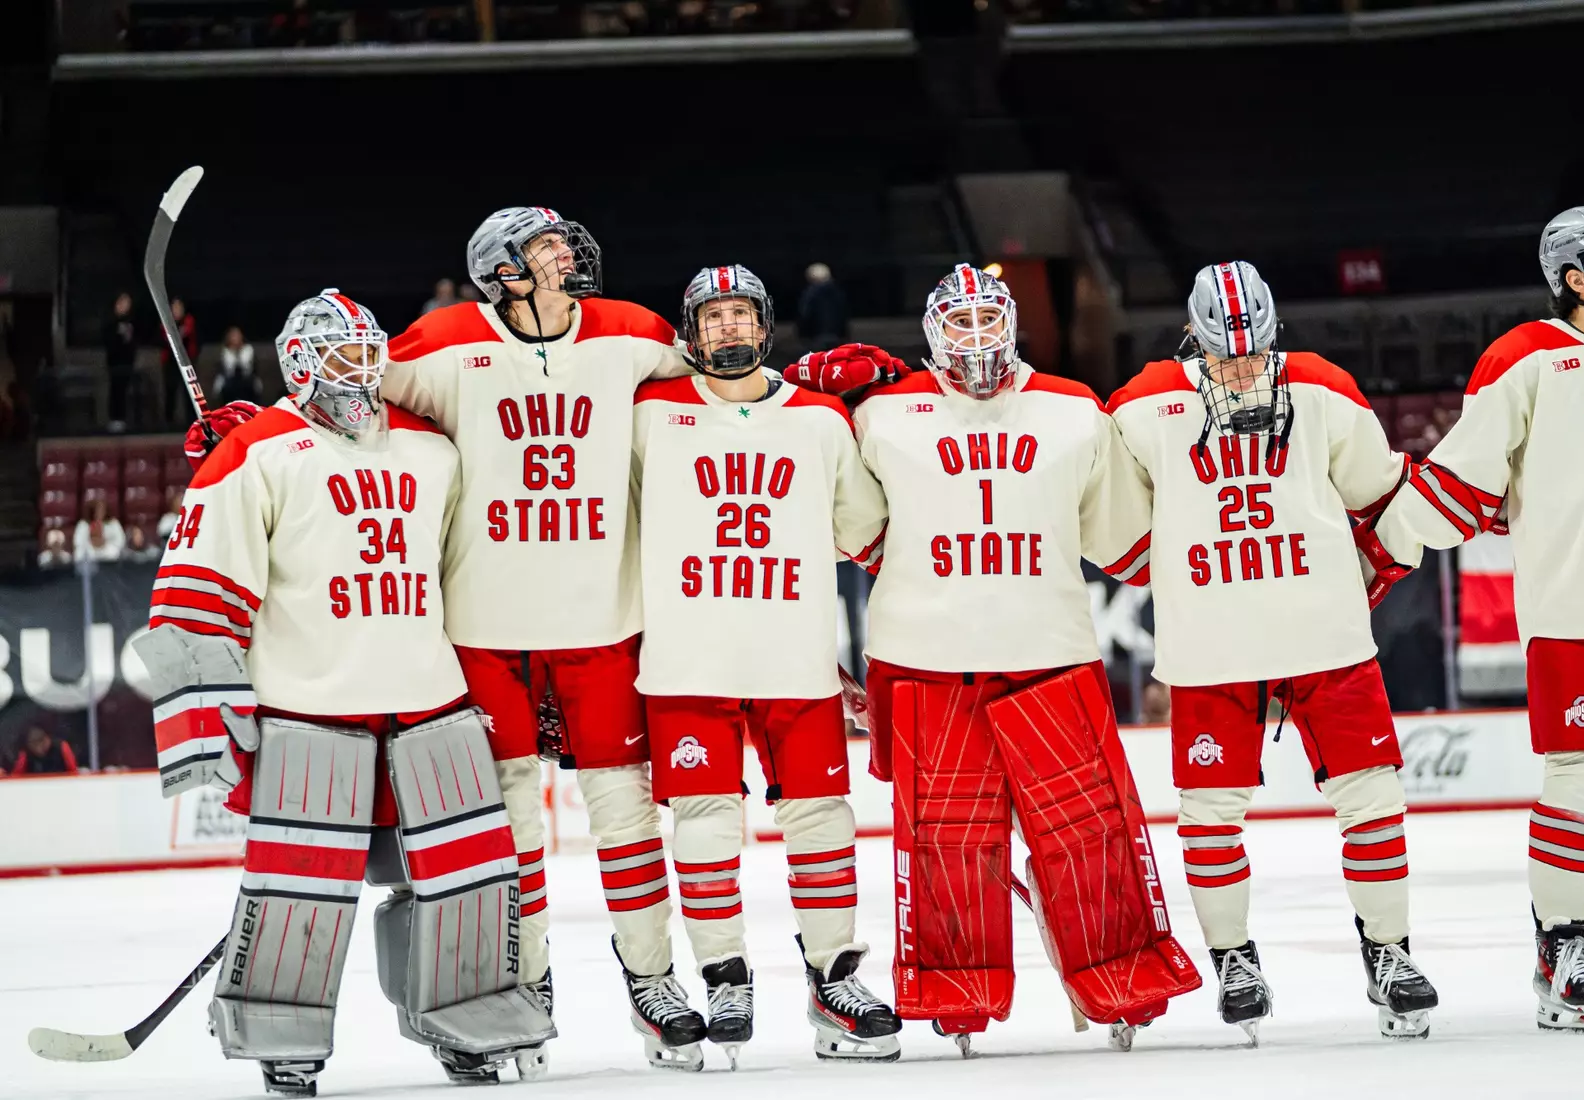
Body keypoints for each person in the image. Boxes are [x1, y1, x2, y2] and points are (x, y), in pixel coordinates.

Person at [141, 290, 553, 1094]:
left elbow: (476, 571)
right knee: (301, 888)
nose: (359, 366)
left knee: (468, 879)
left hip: (431, 701)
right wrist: (201, 729)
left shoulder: (436, 450)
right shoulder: (256, 452)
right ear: (298, 362)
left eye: (367, 349)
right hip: (309, 711)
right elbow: (193, 594)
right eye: (337, 351)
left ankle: (468, 1016)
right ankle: (281, 1032)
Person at [786, 264, 1202, 1054]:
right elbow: (857, 526)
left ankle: (1124, 976)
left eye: (988, 321)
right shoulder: (880, 413)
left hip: (1048, 652)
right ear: (935, 331)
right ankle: (955, 988)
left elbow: (1126, 539)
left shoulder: (1076, 410)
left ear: (1011, 325)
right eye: (961, 323)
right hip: (925, 660)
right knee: (942, 841)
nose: (976, 338)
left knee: (1092, 831)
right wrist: (816, 390)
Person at [379, 206, 693, 1046]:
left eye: (564, 242)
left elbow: (724, 382)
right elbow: (343, 402)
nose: (567, 255)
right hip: (487, 623)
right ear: (502, 271)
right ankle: (524, 979)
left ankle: (653, 979)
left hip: (602, 616)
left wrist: (817, 383)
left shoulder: (632, 330)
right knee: (513, 818)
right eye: (545, 247)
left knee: (625, 811)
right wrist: (258, 427)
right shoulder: (443, 339)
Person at [1105, 261, 1439, 1043]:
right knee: (1209, 814)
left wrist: (1361, 580)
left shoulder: (1321, 384)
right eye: (1226, 357)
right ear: (1193, 337)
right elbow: (1115, 530)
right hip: (1215, 646)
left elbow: (1383, 495)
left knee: (1374, 797)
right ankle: (1234, 958)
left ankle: (1389, 950)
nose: (1244, 370)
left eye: (1255, 355)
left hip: (1323, 638)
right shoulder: (1141, 403)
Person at [1361, 205, 1584, 1035]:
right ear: (1572, 277)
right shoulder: (1525, 358)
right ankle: (1560, 948)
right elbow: (1462, 481)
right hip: (1578, 614)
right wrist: (1381, 553)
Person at [631, 265, 899, 1069]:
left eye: (739, 314)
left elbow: (870, 534)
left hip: (796, 661)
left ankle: (833, 977)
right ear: (689, 333)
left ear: (766, 324)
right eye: (710, 318)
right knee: (706, 822)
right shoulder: (648, 415)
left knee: (822, 821)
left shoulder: (818, 420)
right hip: (687, 661)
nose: (726, 329)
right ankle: (723, 977)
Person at [159, 297, 200, 426]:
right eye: (174, 307)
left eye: (179, 307)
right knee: (170, 390)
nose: (177, 310)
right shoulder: (166, 322)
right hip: (171, 363)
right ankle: (168, 421)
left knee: (190, 393)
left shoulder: (189, 322)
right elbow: (162, 342)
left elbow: (195, 342)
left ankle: (193, 420)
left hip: (188, 362)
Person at [103, 292, 138, 432]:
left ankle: (124, 418)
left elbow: (134, 342)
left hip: (128, 362)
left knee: (125, 390)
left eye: (127, 303)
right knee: (115, 389)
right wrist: (118, 335)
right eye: (122, 303)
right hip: (114, 362)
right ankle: (114, 418)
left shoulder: (131, 322)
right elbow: (108, 341)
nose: (125, 306)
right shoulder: (110, 322)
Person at [797, 262, 849, 352]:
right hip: (836, 337)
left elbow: (805, 314)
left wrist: (803, 334)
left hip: (816, 337)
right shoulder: (838, 293)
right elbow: (844, 314)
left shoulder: (810, 294)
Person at [213, 325, 262, 406]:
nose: (235, 338)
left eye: (237, 335)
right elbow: (225, 370)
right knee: (227, 388)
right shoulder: (225, 352)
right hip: (230, 381)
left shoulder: (248, 349)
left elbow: (251, 369)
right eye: (233, 336)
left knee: (250, 387)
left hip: (246, 380)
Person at [11, 726, 77, 775]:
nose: (38, 749)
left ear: (47, 739)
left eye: (41, 744)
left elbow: (73, 771)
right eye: (34, 746)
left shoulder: (61, 747)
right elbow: (16, 776)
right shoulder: (26, 754)